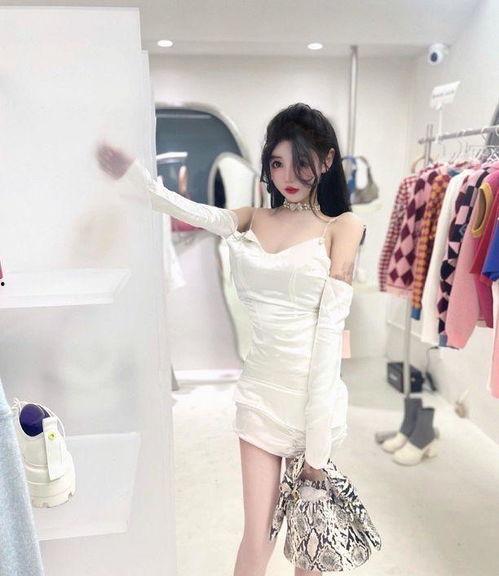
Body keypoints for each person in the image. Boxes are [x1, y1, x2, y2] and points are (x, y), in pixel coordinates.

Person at [96, 102, 366, 576]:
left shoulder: (343, 227)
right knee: (256, 538)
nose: (287, 176)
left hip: (315, 402)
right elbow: (188, 210)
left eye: (301, 162)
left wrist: (317, 452)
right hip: (260, 396)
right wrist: (135, 176)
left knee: (310, 543)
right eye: (277, 163)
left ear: (326, 160)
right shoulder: (252, 218)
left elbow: (329, 339)